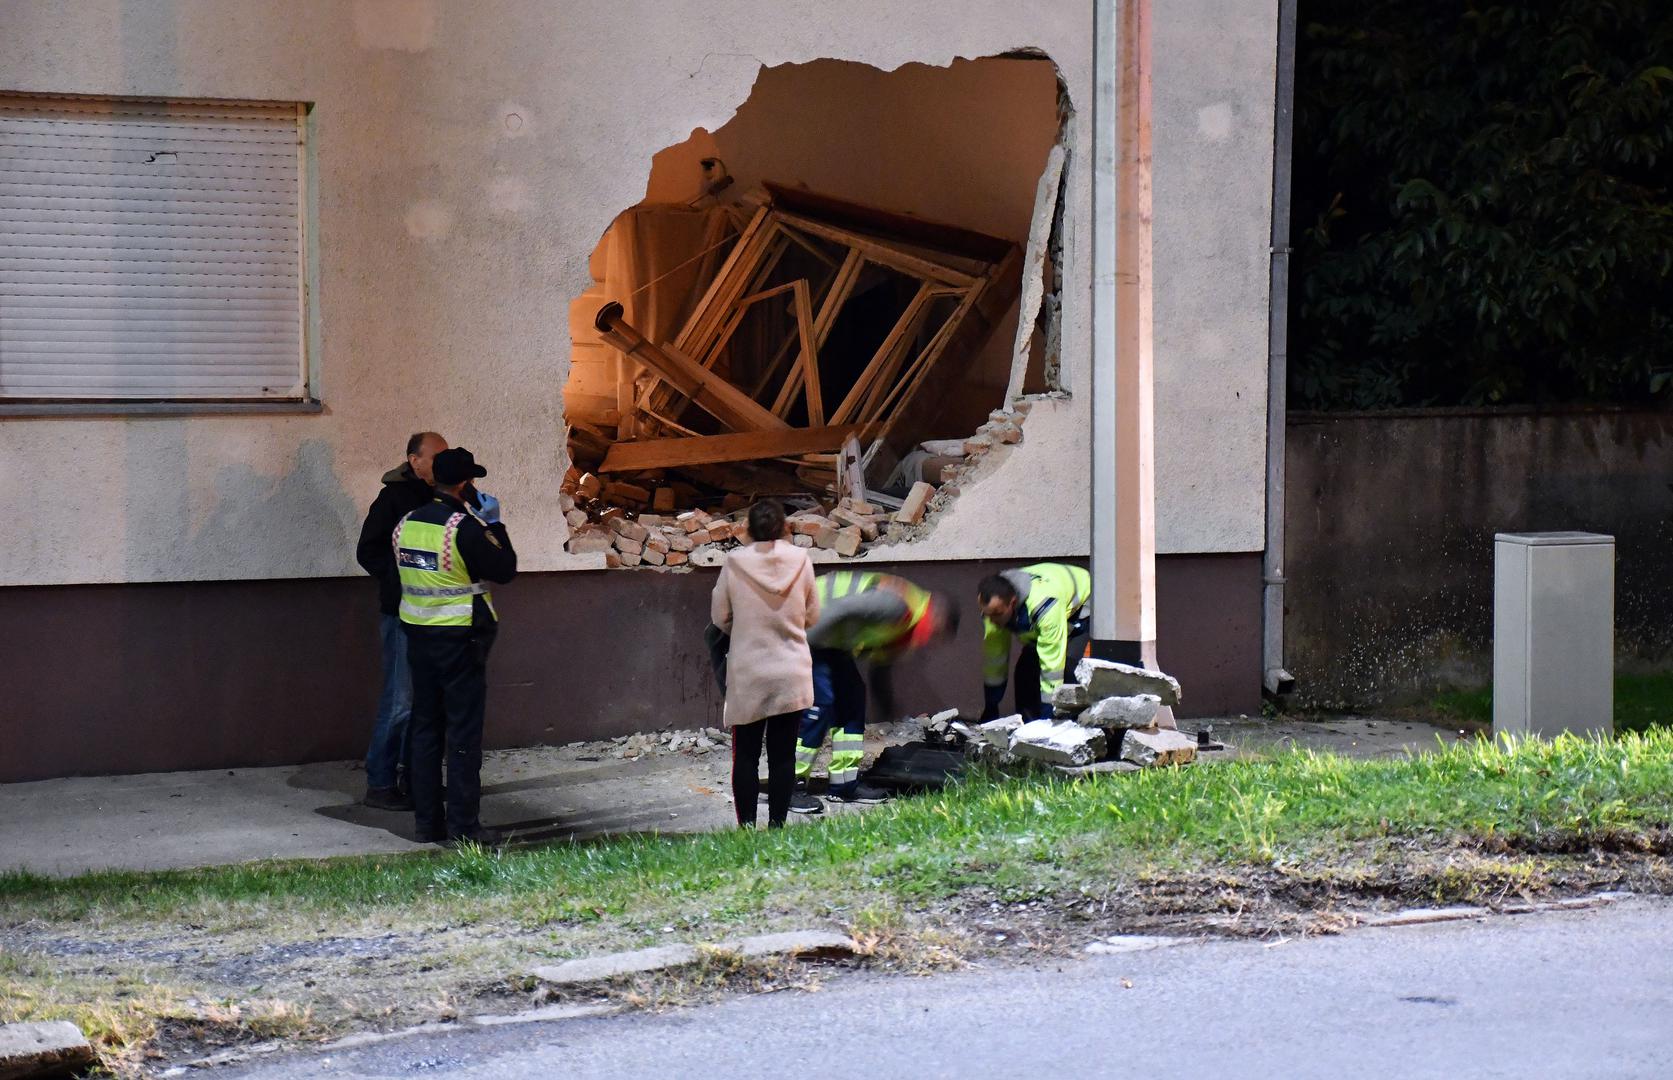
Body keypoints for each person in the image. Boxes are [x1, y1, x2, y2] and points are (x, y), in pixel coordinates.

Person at [395, 447, 516, 845]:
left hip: (418, 635)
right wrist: (494, 524)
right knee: (463, 734)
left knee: (426, 728)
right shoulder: (463, 529)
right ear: (465, 484)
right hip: (460, 638)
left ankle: (427, 823)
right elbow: (505, 569)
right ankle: (464, 826)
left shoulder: (407, 523)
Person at [798, 571, 959, 810]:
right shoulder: (897, 606)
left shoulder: (907, 623)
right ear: (936, 618)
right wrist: (800, 644)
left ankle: (844, 785)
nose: (929, 643)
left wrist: (886, 707)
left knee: (852, 702)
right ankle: (790, 785)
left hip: (831, 641)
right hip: (810, 626)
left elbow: (881, 666)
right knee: (820, 704)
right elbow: (841, 609)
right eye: (936, 635)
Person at [710, 499, 818, 829]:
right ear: (785, 526)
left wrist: (745, 630)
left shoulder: (734, 562)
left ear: (748, 529)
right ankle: (777, 827)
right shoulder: (801, 559)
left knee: (745, 754)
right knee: (783, 755)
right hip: (791, 671)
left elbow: (720, 616)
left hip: (749, 673)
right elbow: (812, 615)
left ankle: (746, 828)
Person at [354, 431, 448, 811]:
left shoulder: (444, 497)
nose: (443, 462)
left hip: (437, 614)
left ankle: (416, 779)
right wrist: (402, 579)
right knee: (400, 701)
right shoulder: (393, 498)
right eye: (436, 456)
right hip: (402, 614)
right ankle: (380, 783)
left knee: (426, 702)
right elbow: (368, 550)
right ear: (414, 460)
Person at [977, 562, 1093, 722]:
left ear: (1012, 603)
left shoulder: (1044, 605)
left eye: (997, 614)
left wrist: (1048, 718)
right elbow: (995, 661)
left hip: (1080, 606)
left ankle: (1070, 726)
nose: (992, 621)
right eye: (987, 614)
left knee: (1068, 668)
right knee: (1025, 672)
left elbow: (1052, 665)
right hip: (1044, 608)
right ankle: (1028, 728)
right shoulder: (993, 614)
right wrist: (991, 707)